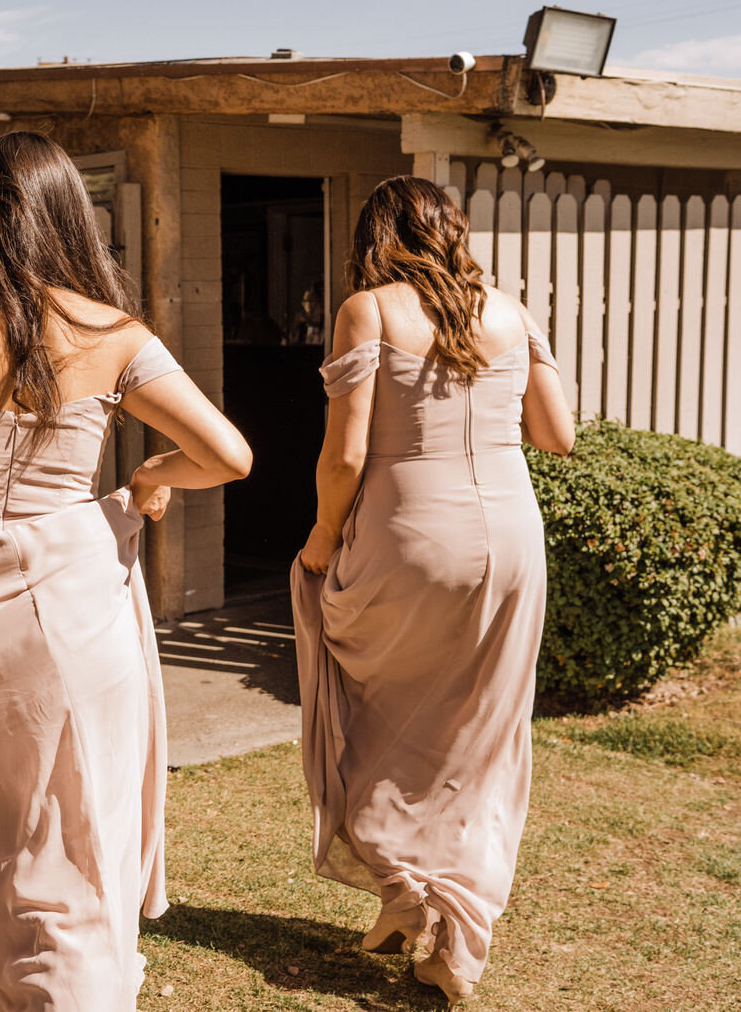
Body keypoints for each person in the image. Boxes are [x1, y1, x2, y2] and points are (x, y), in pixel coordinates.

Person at [0, 132, 252, 1011]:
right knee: (69, 830)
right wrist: (150, 477)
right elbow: (228, 453)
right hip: (71, 615)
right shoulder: (115, 332)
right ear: (74, 215)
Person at [291, 175, 573, 1007]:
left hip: (410, 533)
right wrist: (532, 344)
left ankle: (412, 891)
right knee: (481, 735)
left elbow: (344, 459)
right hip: (514, 542)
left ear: (378, 235)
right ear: (455, 229)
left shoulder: (368, 310)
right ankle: (440, 923)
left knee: (374, 704)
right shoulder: (511, 313)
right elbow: (558, 435)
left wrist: (316, 542)